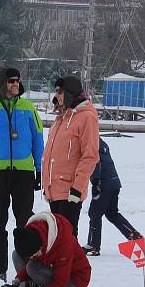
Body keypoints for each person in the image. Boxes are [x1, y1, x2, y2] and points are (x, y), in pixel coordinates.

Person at [0, 67, 44, 281]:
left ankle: (28, 268)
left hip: (23, 173)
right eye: (11, 80)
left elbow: (38, 140)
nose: (16, 84)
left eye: (18, 80)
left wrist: (39, 170)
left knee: (25, 222)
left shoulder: (28, 108)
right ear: (2, 83)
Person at [41, 75, 99, 236]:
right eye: (56, 91)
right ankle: (60, 262)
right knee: (56, 236)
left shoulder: (86, 117)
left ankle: (71, 262)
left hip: (70, 191)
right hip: (54, 189)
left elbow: (90, 155)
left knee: (67, 236)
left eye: (60, 91)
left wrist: (77, 188)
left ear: (70, 92)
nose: (56, 95)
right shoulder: (61, 117)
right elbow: (52, 152)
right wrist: (47, 185)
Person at [6, 211, 92, 287]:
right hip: (57, 272)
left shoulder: (63, 244)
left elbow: (59, 284)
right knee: (17, 255)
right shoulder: (35, 233)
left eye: (33, 254)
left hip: (75, 283)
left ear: (41, 245)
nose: (31, 258)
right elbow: (29, 259)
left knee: (33, 267)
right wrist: (19, 279)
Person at [83, 138, 142, 256]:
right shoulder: (102, 143)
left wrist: (96, 181)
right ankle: (133, 234)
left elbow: (96, 162)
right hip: (114, 182)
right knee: (112, 213)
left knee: (94, 214)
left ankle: (93, 245)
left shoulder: (91, 143)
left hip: (104, 184)